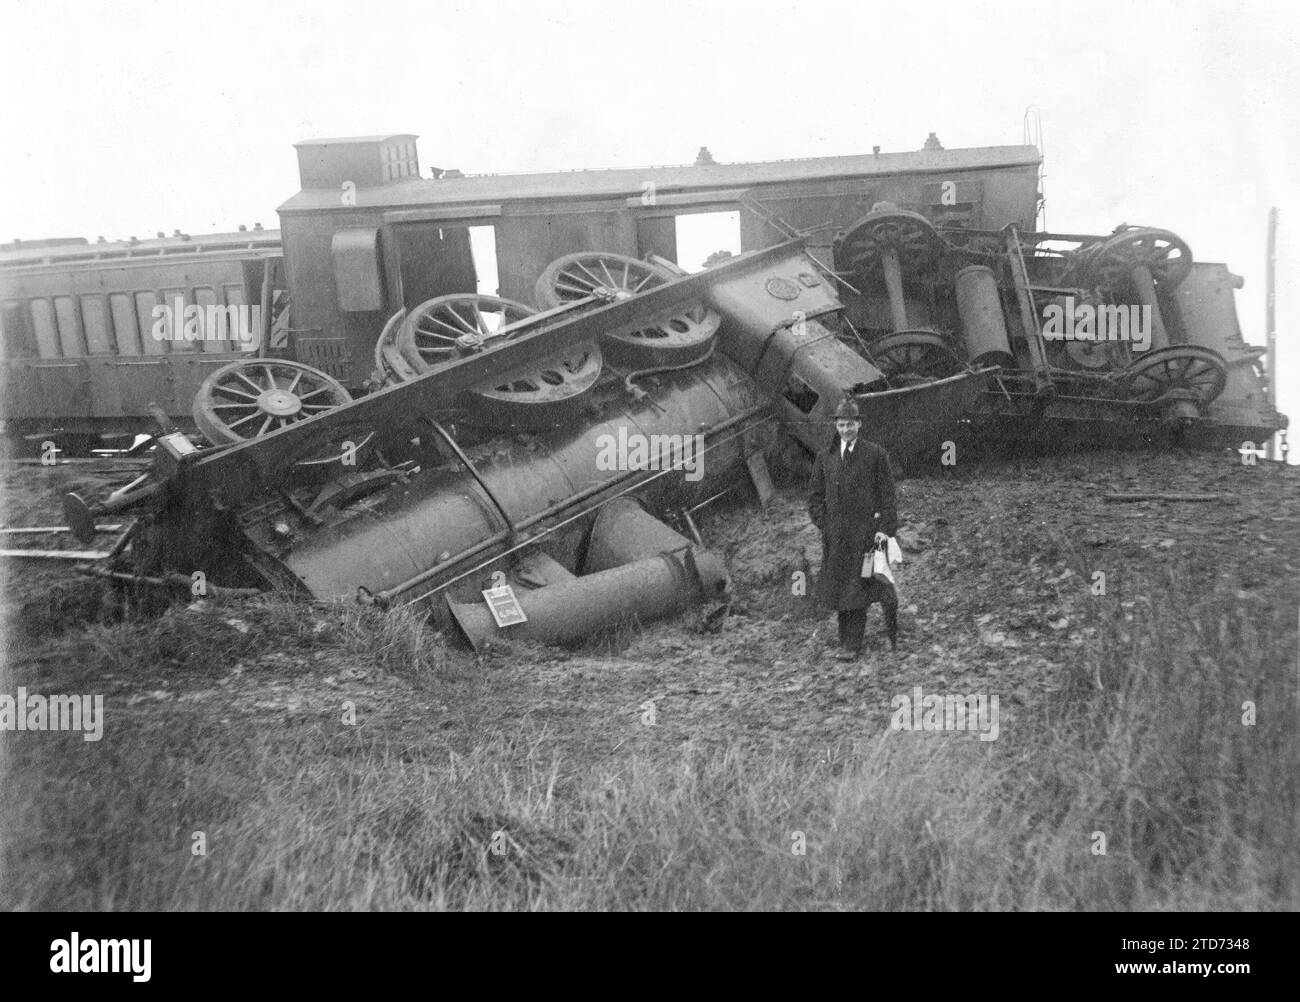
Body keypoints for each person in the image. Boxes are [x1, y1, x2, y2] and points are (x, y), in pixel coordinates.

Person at [808, 397, 899, 661]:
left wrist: (885, 531)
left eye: (850, 424)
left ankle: (852, 646)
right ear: (836, 426)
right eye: (841, 425)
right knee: (839, 587)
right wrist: (825, 524)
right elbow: (814, 497)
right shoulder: (825, 457)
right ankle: (846, 641)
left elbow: (888, 497)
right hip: (836, 538)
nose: (846, 430)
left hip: (866, 536)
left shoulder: (875, 454)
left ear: (859, 424)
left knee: (859, 588)